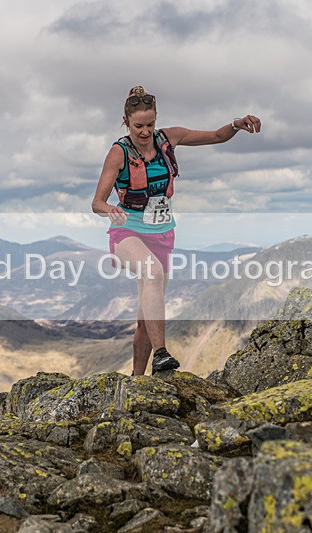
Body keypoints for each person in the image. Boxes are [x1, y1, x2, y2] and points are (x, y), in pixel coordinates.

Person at [91, 86, 261, 375]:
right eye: (138, 126)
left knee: (146, 322)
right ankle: (161, 354)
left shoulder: (169, 138)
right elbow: (96, 202)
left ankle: (137, 381)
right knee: (152, 271)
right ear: (125, 122)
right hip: (127, 233)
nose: (145, 132)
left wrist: (236, 124)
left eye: (150, 124)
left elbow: (216, 136)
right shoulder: (118, 154)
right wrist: (111, 210)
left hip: (162, 235)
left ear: (156, 120)